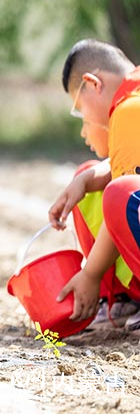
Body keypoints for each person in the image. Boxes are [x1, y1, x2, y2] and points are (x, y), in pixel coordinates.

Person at [48, 39, 140, 330]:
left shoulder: (128, 109)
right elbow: (121, 166)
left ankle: (109, 288)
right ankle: (125, 297)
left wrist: (90, 273)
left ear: (93, 84)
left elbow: (126, 190)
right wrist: (87, 179)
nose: (84, 118)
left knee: (119, 194)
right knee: (90, 177)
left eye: (79, 106)